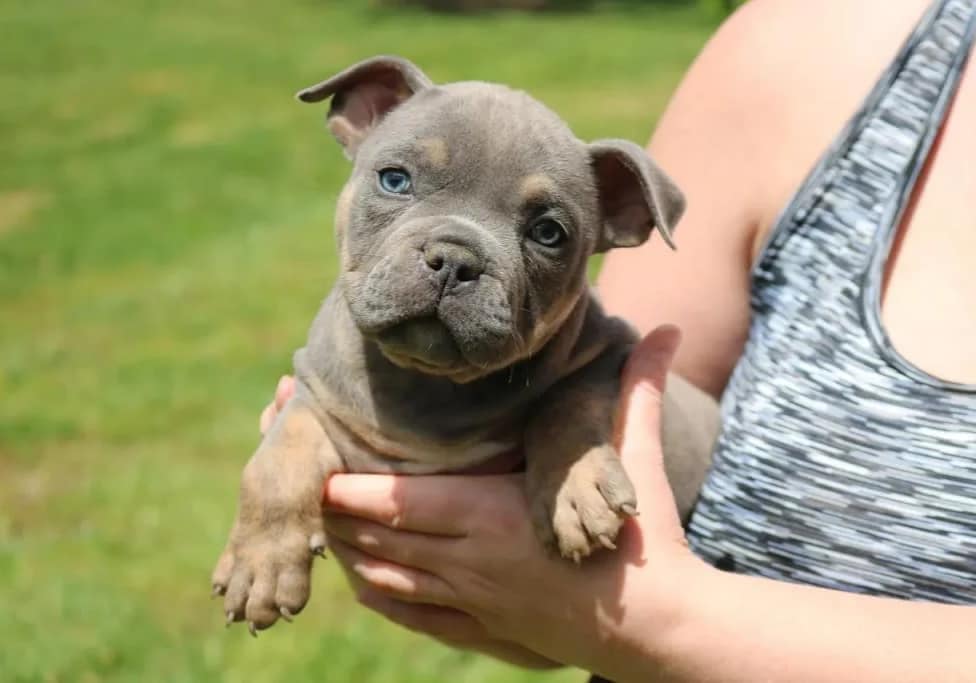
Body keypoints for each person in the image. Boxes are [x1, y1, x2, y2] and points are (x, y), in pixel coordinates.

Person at [259, 0, 976, 678]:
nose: (450, 261)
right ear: (362, 114)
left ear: (627, 215)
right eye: (397, 179)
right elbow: (603, 383)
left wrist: (639, 612)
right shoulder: (822, 42)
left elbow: (595, 367)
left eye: (544, 232)